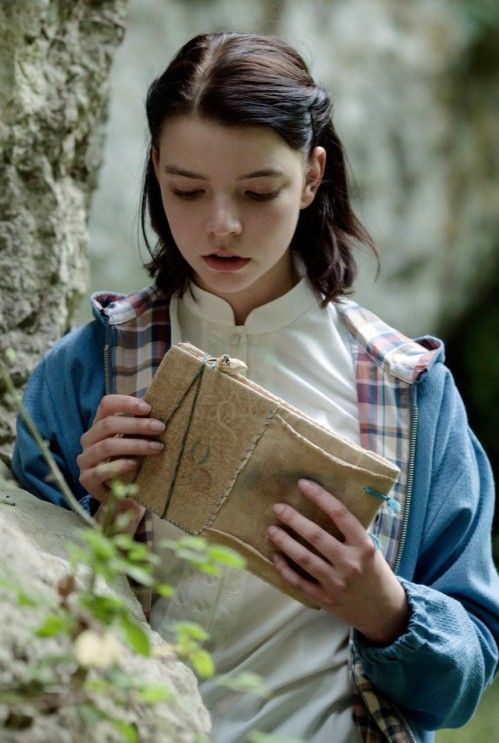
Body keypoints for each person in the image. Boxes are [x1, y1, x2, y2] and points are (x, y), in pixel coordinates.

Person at [11, 31, 498, 742]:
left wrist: (384, 607)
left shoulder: (408, 390)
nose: (222, 225)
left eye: (258, 191)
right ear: (155, 169)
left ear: (311, 175)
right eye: (186, 190)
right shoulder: (87, 371)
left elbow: (467, 674)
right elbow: (24, 621)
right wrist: (95, 518)